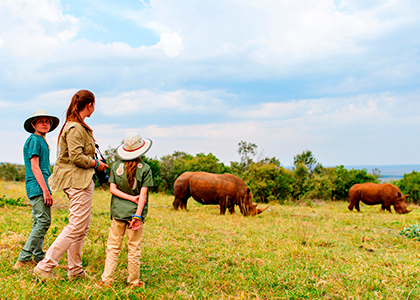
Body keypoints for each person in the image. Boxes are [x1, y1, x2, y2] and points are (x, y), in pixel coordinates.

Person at [33, 90, 108, 281]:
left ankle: (75, 270)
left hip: (80, 180)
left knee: (81, 226)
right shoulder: (75, 127)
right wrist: (96, 164)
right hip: (77, 181)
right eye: (94, 104)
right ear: (89, 105)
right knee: (76, 226)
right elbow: (76, 157)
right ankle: (45, 265)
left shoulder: (77, 126)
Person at [96, 131, 153, 288]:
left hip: (118, 213)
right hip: (135, 214)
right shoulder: (145, 168)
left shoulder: (116, 166)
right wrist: (137, 216)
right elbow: (143, 196)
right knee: (134, 248)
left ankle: (106, 279)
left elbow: (112, 190)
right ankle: (133, 281)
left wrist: (127, 198)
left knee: (113, 247)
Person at [13, 110, 59, 270]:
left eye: (47, 121)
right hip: (38, 186)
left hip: (41, 185)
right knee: (44, 221)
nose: (45, 123)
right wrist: (45, 190)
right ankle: (24, 257)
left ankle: (38, 255)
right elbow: (34, 166)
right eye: (41, 121)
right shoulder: (34, 140)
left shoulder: (41, 140)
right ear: (34, 124)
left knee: (38, 221)